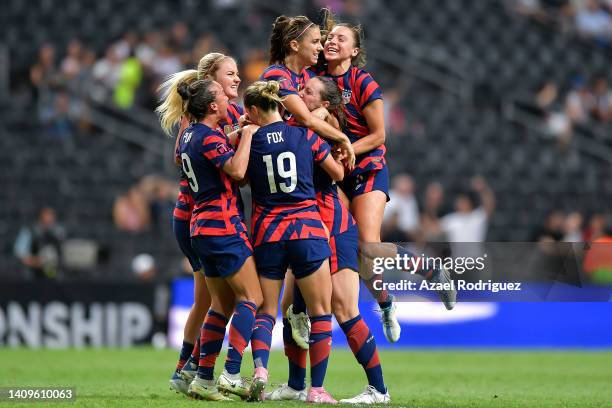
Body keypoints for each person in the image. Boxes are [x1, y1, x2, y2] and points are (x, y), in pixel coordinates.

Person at [318, 10, 456, 343]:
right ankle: (386, 303)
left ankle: (431, 270)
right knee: (352, 249)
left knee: (368, 246)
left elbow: (379, 135)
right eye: (331, 36)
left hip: (366, 168)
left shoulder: (362, 82)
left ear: (354, 51)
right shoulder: (313, 78)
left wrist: (346, 146)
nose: (333, 40)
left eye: (342, 38)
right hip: (331, 171)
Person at [266, 76, 391, 404]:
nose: (298, 94)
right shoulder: (301, 123)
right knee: (293, 307)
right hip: (304, 227)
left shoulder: (326, 123)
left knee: (344, 309)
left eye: (307, 92)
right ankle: (296, 386)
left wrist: (320, 117)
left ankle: (378, 389)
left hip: (331, 227)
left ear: (323, 103)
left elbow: (337, 158)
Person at [244, 81, 343, 403]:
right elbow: (337, 173)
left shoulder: (251, 139)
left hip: (268, 233)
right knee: (320, 311)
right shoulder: (305, 135)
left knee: (267, 309)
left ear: (255, 110)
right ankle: (316, 390)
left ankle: (259, 371)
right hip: (306, 230)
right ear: (282, 106)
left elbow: (239, 176)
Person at [157, 53, 244, 395]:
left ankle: (187, 368)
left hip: (198, 216)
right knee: (214, 299)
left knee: (208, 300)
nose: (236, 80)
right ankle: (192, 370)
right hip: (199, 216)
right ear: (211, 81)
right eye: (230, 74)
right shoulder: (200, 124)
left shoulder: (218, 117)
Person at [176, 78, 263, 401]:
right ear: (212, 106)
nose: (231, 101)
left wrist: (235, 134)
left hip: (201, 228)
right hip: (223, 227)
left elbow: (212, 148)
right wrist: (250, 135)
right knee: (251, 298)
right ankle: (231, 373)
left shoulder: (189, 134)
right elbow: (238, 171)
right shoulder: (210, 137)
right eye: (223, 98)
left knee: (221, 305)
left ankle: (203, 377)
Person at [14, 207, 66, 279]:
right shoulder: (29, 231)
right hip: (34, 273)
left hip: (53, 273)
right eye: (46, 216)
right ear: (40, 217)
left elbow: (63, 253)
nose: (49, 219)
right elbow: (20, 254)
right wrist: (37, 261)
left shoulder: (59, 232)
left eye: (51, 216)